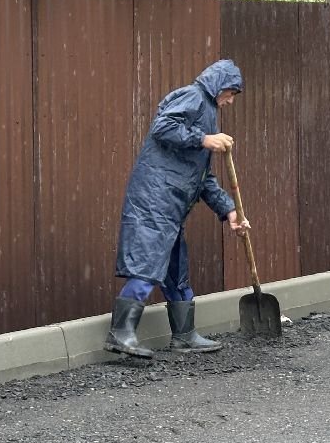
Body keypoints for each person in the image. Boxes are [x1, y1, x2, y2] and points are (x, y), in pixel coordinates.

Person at [105, 58, 251, 359]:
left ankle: (184, 336)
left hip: (171, 204)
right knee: (147, 263)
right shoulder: (193, 96)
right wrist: (204, 138)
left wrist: (230, 211)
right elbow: (163, 126)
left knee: (175, 269)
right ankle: (120, 334)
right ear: (220, 85)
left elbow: (203, 177)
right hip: (154, 199)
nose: (231, 101)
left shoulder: (207, 112)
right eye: (232, 93)